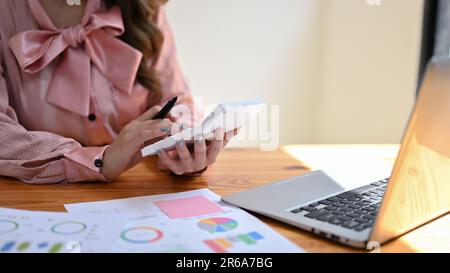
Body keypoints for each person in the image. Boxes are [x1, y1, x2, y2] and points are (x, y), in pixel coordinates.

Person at [0, 0, 237, 184]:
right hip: (36, 198)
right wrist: (100, 160)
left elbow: (175, 98)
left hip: (136, 192)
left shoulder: (143, 7)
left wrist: (184, 142)